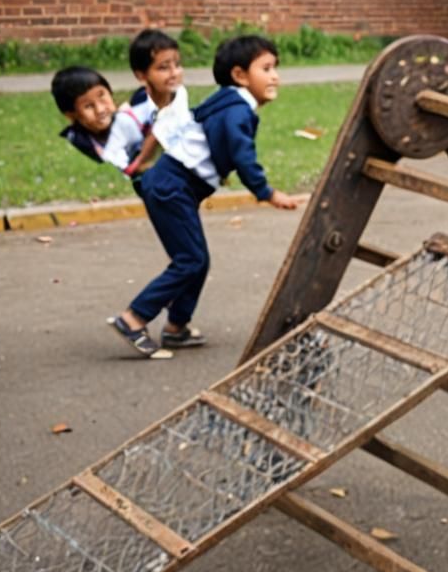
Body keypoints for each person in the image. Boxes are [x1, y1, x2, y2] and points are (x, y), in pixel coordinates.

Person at [108, 35, 304, 359]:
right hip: (173, 187)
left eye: (275, 68)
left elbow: (214, 140)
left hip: (172, 186)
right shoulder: (237, 110)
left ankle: (176, 328)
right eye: (266, 68)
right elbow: (242, 154)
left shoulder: (227, 102)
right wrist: (266, 192)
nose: (275, 77)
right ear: (240, 75)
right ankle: (133, 318)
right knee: (191, 260)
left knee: (195, 260)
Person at [104, 29, 184, 183]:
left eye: (177, 65)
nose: (174, 73)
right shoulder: (140, 107)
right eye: (164, 67)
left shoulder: (179, 93)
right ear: (141, 76)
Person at [51, 66, 118, 163]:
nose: (100, 110)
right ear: (71, 114)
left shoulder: (128, 117)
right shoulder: (81, 143)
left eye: (101, 95)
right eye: (88, 106)